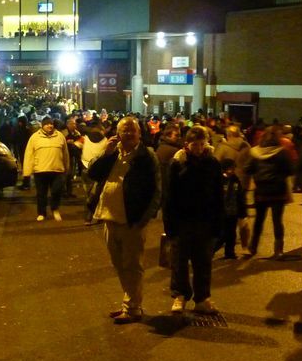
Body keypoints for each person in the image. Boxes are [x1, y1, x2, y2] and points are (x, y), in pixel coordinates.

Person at [87, 117, 161, 324]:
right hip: (109, 217)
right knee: (119, 264)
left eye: (132, 131)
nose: (128, 134)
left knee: (133, 265)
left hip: (132, 220)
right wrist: (106, 153)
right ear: (117, 133)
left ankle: (133, 307)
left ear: (139, 134)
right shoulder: (113, 153)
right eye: (124, 131)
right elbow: (92, 173)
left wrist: (145, 218)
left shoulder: (146, 156)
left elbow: (156, 190)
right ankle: (129, 303)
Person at [164, 126, 224, 314]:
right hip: (182, 220)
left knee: (203, 261)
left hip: (205, 220)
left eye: (201, 144)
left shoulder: (213, 163)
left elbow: (218, 195)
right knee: (179, 261)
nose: (198, 148)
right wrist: (169, 225)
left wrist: (218, 223)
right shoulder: (177, 163)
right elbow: (169, 195)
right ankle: (180, 296)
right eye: (194, 144)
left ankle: (202, 298)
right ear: (187, 145)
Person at [244, 127, 295, 259]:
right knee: (277, 221)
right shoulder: (282, 152)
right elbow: (290, 170)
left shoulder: (254, 152)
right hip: (278, 191)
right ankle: (278, 250)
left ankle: (253, 246)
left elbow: (247, 168)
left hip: (261, 191)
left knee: (259, 220)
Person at [22, 116, 69, 221]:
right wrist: (27, 172)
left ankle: (55, 208)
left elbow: (65, 153)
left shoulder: (60, 136)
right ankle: (41, 213)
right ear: (42, 126)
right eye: (47, 124)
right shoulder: (35, 137)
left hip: (57, 169)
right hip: (40, 170)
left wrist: (67, 167)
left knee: (56, 191)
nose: (50, 126)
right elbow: (29, 154)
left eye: (51, 124)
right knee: (41, 193)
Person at [214, 158, 248, 260]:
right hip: (222, 211)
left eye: (233, 168)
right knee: (222, 234)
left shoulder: (235, 179)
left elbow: (240, 196)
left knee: (232, 233)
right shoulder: (219, 180)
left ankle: (230, 252)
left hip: (233, 211)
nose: (232, 170)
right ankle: (210, 250)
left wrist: (242, 211)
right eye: (230, 168)